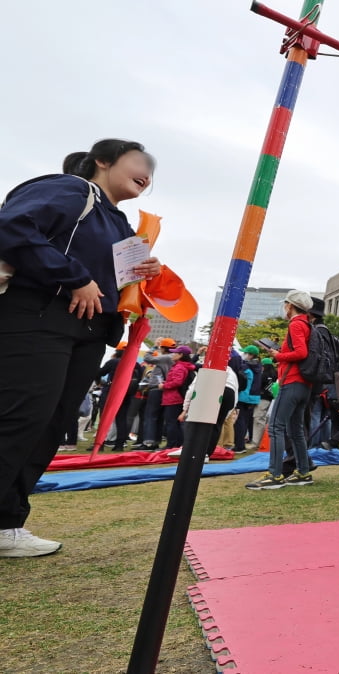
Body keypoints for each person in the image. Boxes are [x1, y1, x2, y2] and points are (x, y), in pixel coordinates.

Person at [0, 139, 161, 557]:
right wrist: (73, 276)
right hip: (39, 316)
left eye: (152, 169)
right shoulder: (71, 189)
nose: (147, 172)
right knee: (20, 416)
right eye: (139, 161)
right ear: (102, 161)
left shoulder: (123, 225)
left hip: (89, 333)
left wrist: (146, 272)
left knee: (48, 426)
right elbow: (11, 226)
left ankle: (7, 523)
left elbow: (121, 282)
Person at [246, 290, 317, 489]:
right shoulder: (307, 324)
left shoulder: (295, 324)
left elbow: (300, 352)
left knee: (276, 427)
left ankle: (275, 474)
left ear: (290, 305)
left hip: (291, 381)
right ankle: (303, 472)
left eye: (286, 304)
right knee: (296, 430)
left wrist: (278, 355)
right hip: (304, 384)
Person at [160, 346, 196, 449]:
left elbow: (177, 382)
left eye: (175, 353)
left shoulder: (179, 367)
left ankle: (171, 445)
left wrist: (164, 385)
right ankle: (178, 444)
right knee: (176, 423)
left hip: (173, 398)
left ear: (181, 355)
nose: (173, 354)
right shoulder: (185, 366)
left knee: (171, 423)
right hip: (177, 398)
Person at [234, 345, 263, 453]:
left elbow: (240, 380)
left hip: (244, 396)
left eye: (245, 353)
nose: (243, 355)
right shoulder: (258, 366)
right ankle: (241, 444)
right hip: (254, 397)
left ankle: (239, 446)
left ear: (250, 355)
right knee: (246, 421)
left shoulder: (246, 367)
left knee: (239, 421)